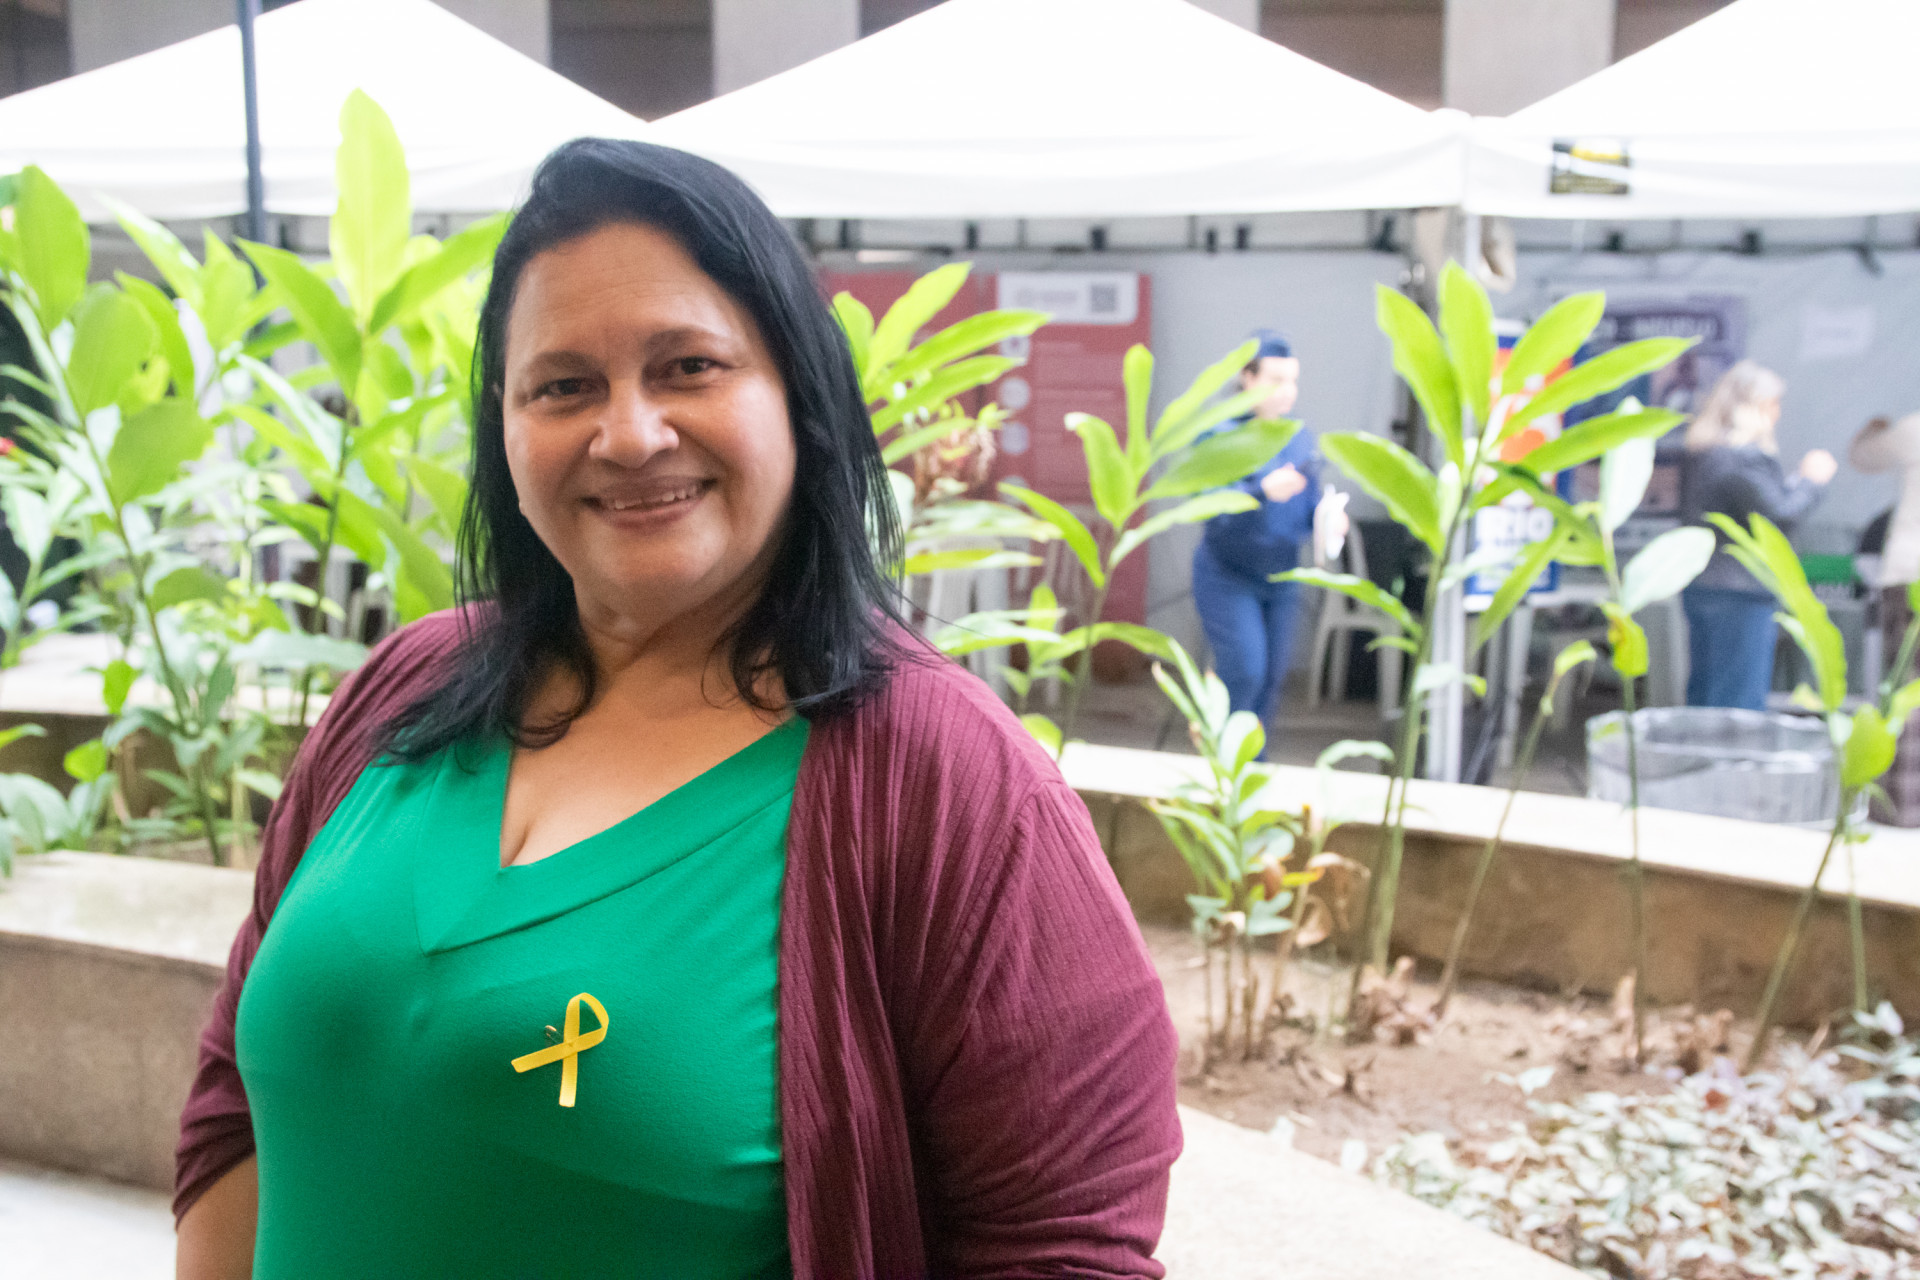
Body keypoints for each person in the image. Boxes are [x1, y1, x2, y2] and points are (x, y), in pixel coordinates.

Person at [173, 139, 1179, 1279]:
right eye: (562, 385)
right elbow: (234, 1103)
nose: (630, 433)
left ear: (799, 396)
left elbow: (1061, 1248)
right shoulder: (403, 692)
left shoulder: (954, 791)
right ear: (503, 429)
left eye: (689, 366)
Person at [1191, 330, 1338, 721]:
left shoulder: (1298, 438)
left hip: (1283, 576)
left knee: (1272, 681)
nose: (1286, 392)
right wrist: (1259, 492)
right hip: (1228, 574)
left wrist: (1327, 517)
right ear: (1247, 377)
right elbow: (1205, 505)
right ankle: (1223, 766)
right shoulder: (1219, 434)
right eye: (1275, 381)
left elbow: (1308, 507)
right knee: (1245, 672)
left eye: (1292, 381)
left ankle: (1254, 767)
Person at [1679, 360, 1835, 711]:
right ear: (1754, 405)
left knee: (1705, 694)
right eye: (1773, 405)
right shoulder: (1741, 458)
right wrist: (1812, 481)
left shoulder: (1705, 453)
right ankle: (1730, 765)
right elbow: (1777, 515)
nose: (1777, 414)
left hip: (1704, 585)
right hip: (1741, 591)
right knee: (1737, 703)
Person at [1851, 411, 1920, 825]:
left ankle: (1902, 806)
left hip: (1910, 577)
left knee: (1907, 692)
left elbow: (1863, 456)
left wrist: (1871, 429)